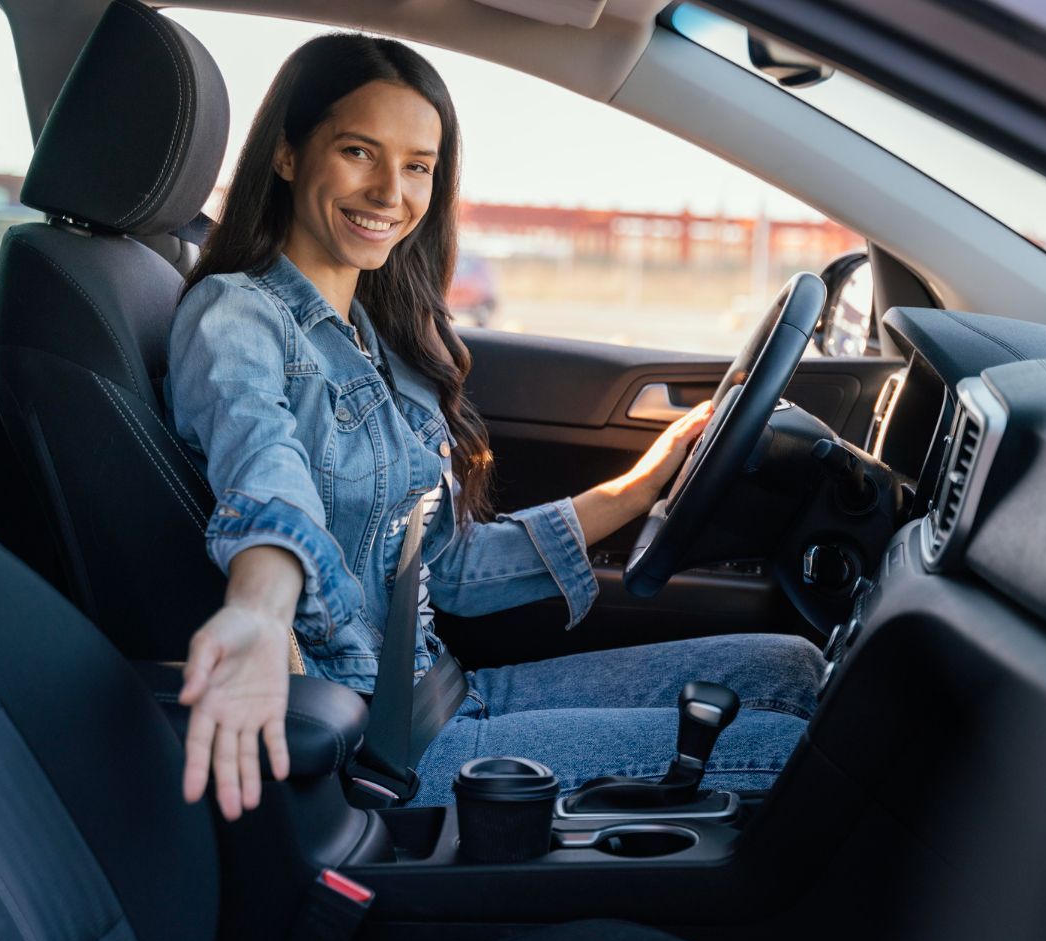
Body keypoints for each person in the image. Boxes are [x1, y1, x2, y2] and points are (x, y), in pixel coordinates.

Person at [165, 33, 823, 819]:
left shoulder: (382, 342)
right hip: (379, 742)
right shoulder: (236, 314)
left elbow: (448, 570)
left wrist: (640, 486)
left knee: (793, 667)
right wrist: (259, 609)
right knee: (795, 756)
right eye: (357, 152)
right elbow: (264, 474)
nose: (390, 193)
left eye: (417, 165)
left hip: (442, 690)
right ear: (285, 155)